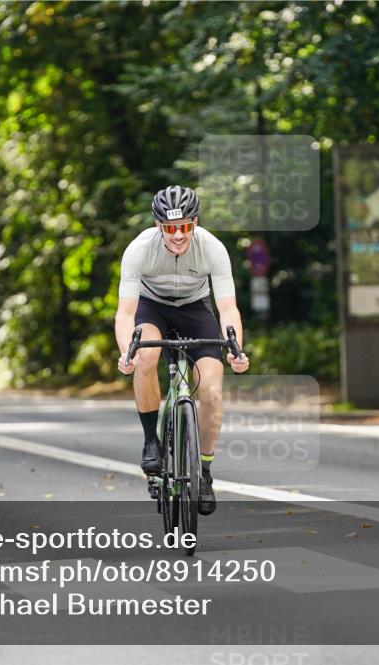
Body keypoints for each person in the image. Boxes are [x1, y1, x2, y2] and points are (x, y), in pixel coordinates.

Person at [115, 185, 249, 516]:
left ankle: (204, 471)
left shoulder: (212, 248)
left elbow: (227, 308)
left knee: (212, 392)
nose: (178, 235)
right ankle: (151, 441)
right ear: (158, 225)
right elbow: (126, 313)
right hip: (152, 308)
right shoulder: (139, 249)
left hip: (195, 309)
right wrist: (127, 352)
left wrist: (235, 349)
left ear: (195, 222)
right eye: (170, 228)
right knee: (146, 356)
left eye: (185, 226)